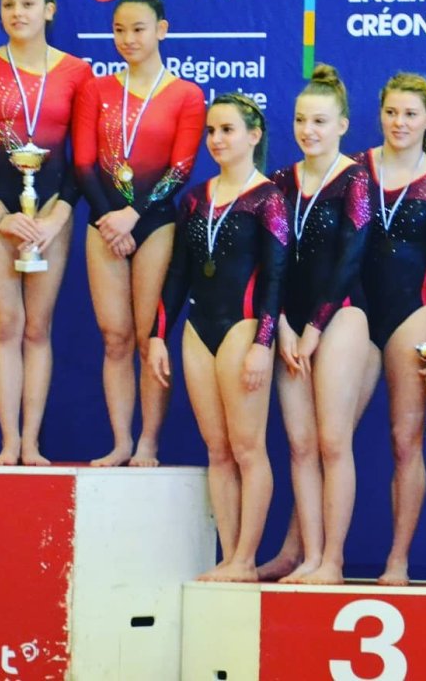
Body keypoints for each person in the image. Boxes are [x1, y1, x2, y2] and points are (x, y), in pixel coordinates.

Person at [148, 93, 289, 582]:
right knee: (217, 450)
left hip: (243, 327)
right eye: (211, 130)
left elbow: (276, 278)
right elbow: (177, 274)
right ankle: (230, 557)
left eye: (227, 130)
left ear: (254, 135)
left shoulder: (268, 198)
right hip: (197, 329)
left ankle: (247, 558)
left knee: (248, 447)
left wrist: (263, 344)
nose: (216, 139)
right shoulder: (194, 199)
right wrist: (157, 335)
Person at [0, 0, 91, 465]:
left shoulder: (76, 72)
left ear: (49, 10)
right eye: (8, 4)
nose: (18, 12)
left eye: (28, 3)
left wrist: (56, 218)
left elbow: (83, 160)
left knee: (37, 327)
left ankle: (31, 441)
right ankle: (8, 441)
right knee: (6, 324)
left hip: (51, 210)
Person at [73, 0, 205, 467]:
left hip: (155, 223)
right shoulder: (96, 90)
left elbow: (181, 167)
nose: (128, 39)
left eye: (138, 29)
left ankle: (148, 441)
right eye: (119, 30)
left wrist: (133, 215)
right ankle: (121, 441)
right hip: (103, 222)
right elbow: (84, 163)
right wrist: (110, 217)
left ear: (162, 30)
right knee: (115, 338)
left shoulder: (185, 94)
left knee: (151, 338)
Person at [264, 64, 372, 585]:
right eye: (301, 120)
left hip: (342, 313)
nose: (308, 130)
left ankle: (333, 559)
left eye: (320, 122)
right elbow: (272, 263)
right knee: (301, 444)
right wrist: (283, 325)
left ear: (342, 125)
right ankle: (309, 557)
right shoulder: (280, 182)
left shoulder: (356, 179)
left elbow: (351, 259)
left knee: (332, 440)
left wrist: (314, 327)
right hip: (291, 321)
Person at [352, 71, 426, 586]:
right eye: (391, 112)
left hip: (411, 313)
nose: (399, 122)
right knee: (329, 438)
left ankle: (398, 558)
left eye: (411, 114)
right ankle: (307, 549)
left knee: (404, 439)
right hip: (354, 312)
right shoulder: (354, 170)